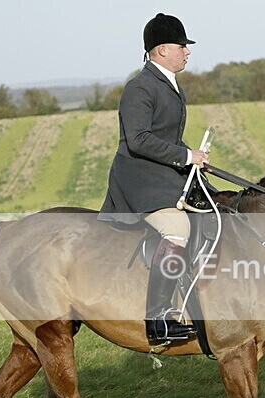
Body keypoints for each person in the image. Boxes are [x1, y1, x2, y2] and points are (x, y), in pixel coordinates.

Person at [98, 13, 209, 344]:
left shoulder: (169, 84)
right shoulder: (140, 87)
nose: (187, 52)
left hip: (164, 171)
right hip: (139, 179)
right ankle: (158, 317)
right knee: (178, 228)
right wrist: (186, 157)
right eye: (181, 46)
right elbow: (139, 140)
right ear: (161, 50)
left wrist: (194, 159)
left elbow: (168, 138)